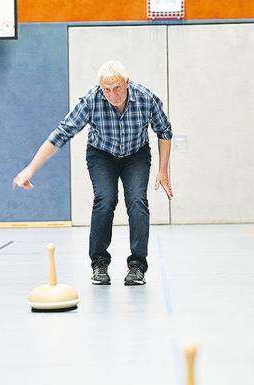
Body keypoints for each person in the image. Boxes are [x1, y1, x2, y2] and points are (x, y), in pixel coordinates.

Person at [13, 60, 173, 286]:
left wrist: (163, 171)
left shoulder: (146, 98)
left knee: (137, 201)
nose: (112, 95)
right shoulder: (91, 100)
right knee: (105, 200)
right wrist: (30, 169)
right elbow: (62, 133)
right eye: (106, 89)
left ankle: (137, 265)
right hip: (102, 155)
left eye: (117, 88)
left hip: (136, 154)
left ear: (126, 83)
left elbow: (164, 130)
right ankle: (99, 263)